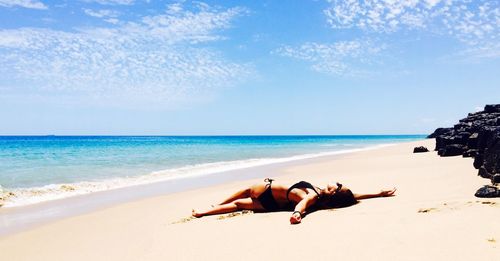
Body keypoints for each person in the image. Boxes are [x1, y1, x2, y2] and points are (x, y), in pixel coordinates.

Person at [192, 178, 396, 224]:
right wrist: (378, 193)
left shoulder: (314, 196)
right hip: (273, 206)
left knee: (245, 191)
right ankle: (203, 213)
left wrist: (297, 214)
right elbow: (352, 197)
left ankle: (213, 207)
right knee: (238, 206)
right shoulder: (323, 199)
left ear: (333, 193)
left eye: (337, 185)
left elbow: (303, 203)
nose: (335, 183)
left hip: (268, 191)